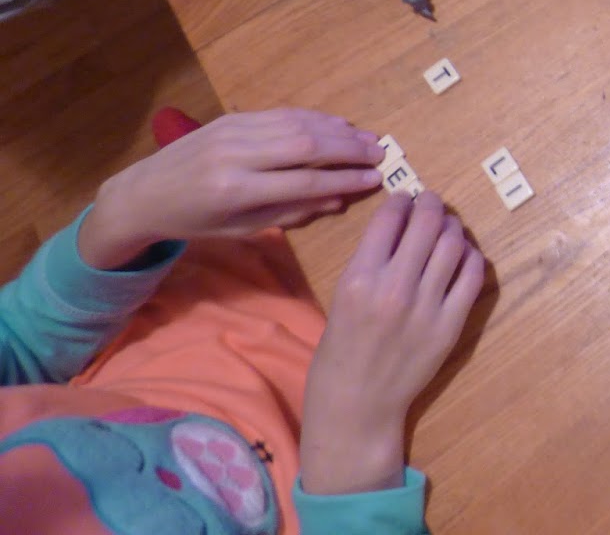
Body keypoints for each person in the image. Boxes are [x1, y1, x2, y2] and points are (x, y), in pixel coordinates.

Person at [0, 108, 485, 534]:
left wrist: (121, 218)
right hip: (384, 455)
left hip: (200, 311)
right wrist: (350, 460)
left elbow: (18, 343)